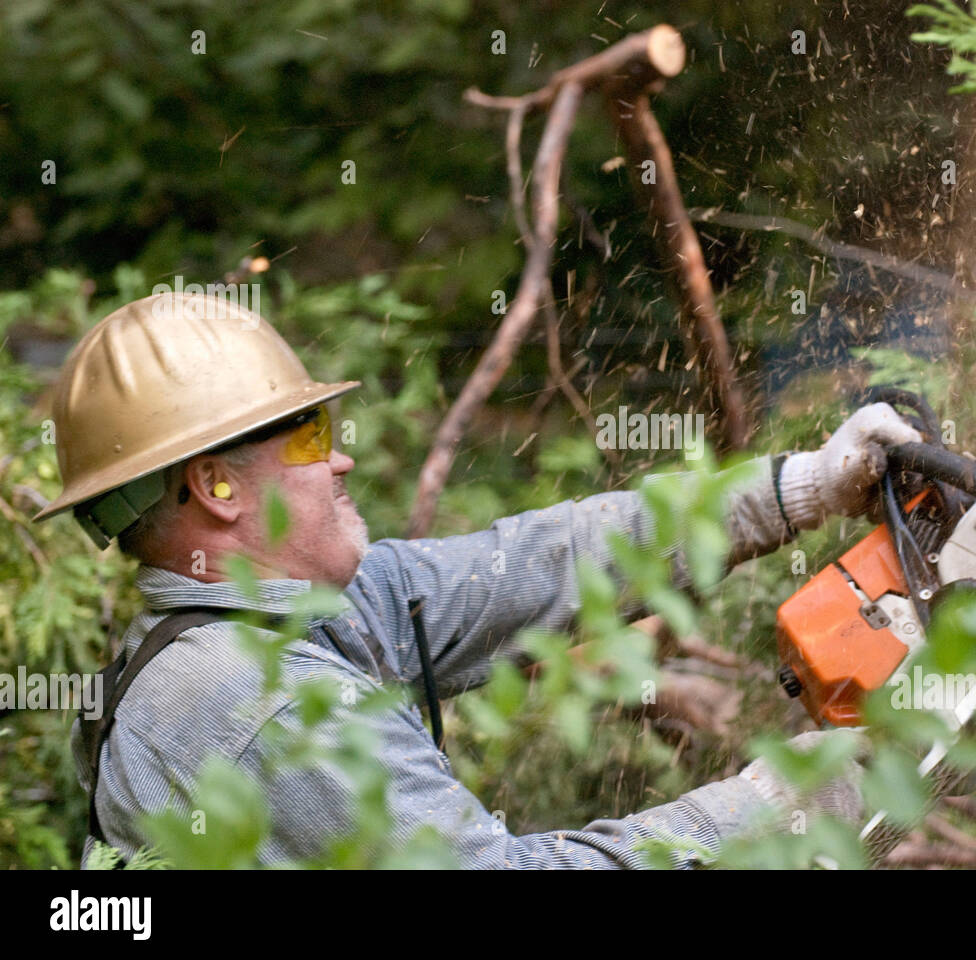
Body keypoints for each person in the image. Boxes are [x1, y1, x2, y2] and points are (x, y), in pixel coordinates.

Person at [35, 291, 921, 868]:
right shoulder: (252, 702)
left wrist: (797, 489)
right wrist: (766, 808)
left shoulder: (298, 619)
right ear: (215, 488)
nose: (341, 458)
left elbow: (546, 563)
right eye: (307, 435)